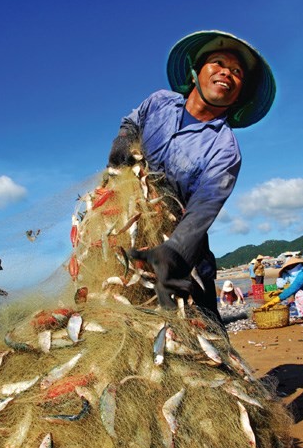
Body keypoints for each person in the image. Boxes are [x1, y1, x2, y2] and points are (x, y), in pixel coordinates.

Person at [107, 30, 275, 320]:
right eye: (218, 63)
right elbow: (132, 121)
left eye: (236, 72)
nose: (227, 73)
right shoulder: (160, 101)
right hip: (124, 233)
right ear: (195, 71)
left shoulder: (224, 149)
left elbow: (202, 210)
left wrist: (174, 253)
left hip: (181, 253)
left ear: (239, 93)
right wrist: (123, 139)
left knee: (202, 332)